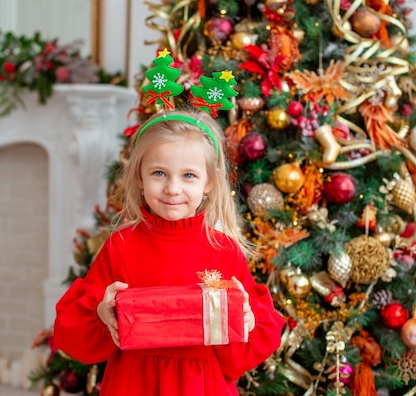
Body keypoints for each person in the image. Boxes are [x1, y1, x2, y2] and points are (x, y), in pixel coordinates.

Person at [53, 108, 285, 396]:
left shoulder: (223, 251)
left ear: (209, 182)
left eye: (188, 175)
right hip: (133, 383)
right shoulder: (121, 246)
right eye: (159, 173)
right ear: (139, 176)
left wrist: (246, 321)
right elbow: (75, 329)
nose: (172, 188)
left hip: (202, 386)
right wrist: (102, 312)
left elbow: (241, 353)